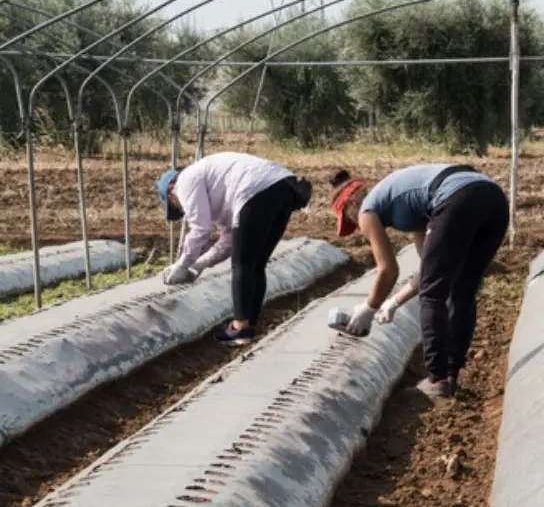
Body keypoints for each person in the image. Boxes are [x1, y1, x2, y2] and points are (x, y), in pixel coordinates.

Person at [328, 163, 509, 399]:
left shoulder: (367, 211)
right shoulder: (408, 204)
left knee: (433, 296)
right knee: (462, 291)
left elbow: (388, 269)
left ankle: (437, 379)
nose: (356, 227)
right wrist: (393, 302)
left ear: (351, 204)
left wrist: (368, 308)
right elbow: (428, 270)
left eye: (349, 220)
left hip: (457, 197)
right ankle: (450, 374)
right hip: (492, 198)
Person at [155, 151, 312, 347]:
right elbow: (229, 240)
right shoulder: (216, 189)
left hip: (255, 189)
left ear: (171, 190)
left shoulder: (185, 181)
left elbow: (200, 229)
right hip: (282, 188)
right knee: (256, 264)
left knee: (242, 264)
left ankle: (240, 327)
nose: (181, 209)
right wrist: (199, 264)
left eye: (174, 204)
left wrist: (182, 264)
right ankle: (249, 325)